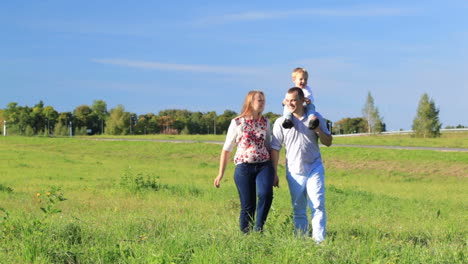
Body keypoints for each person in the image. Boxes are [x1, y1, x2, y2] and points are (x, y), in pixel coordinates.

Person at [271, 87, 332, 244]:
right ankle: (301, 241)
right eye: (288, 100)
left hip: (314, 167)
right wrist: (274, 173)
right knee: (299, 209)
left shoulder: (315, 117)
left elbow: (328, 142)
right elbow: (275, 148)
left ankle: (319, 243)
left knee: (317, 205)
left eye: (293, 100)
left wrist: (318, 128)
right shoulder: (281, 122)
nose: (290, 103)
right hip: (294, 170)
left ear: (303, 100)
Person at [214, 90, 278, 233]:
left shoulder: (266, 122)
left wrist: (275, 172)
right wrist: (220, 174)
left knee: (266, 194)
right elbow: (226, 149)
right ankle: (246, 236)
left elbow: (268, 146)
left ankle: (259, 230)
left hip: (264, 165)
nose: (263, 103)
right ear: (250, 102)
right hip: (244, 167)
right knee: (248, 205)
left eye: (264, 101)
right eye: (259, 100)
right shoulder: (237, 122)